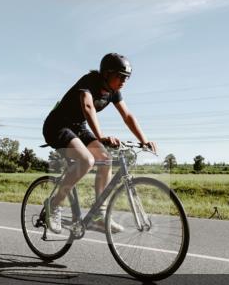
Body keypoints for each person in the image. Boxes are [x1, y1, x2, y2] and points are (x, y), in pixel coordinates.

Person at [41, 53, 156, 234]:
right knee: (87, 160)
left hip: (78, 127)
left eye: (126, 77)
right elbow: (88, 106)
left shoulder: (114, 92)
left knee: (105, 159)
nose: (123, 81)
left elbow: (127, 116)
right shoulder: (89, 81)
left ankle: (98, 216)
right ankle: (54, 205)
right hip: (57, 126)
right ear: (106, 73)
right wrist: (101, 136)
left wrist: (144, 140)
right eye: (120, 76)